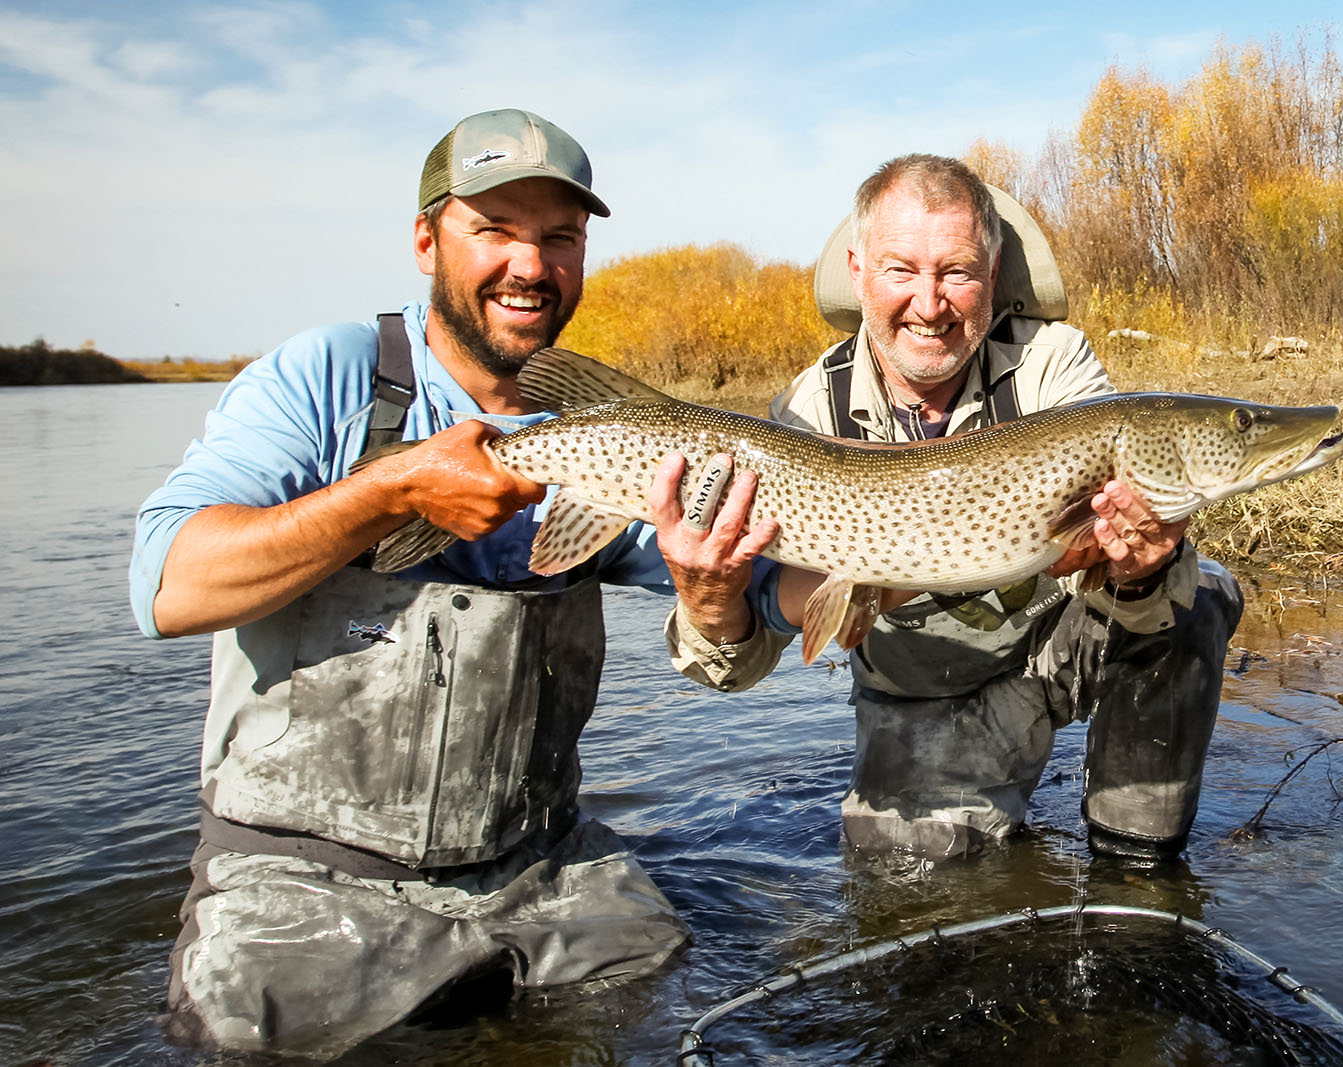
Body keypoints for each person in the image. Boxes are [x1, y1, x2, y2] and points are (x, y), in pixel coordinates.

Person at [129, 107, 782, 1057]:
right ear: (428, 238)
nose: (531, 264)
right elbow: (165, 587)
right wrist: (387, 491)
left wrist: (718, 591)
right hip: (300, 878)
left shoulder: (622, 432)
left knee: (675, 1012)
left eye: (559, 238)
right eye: (496, 230)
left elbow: (764, 610)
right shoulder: (327, 377)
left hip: (540, 869)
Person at [666, 154, 1243, 861]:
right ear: (858, 272)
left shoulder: (1053, 366)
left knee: (1198, 587)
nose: (930, 303)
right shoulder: (809, 411)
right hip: (924, 694)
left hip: (1057, 646)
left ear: (992, 277)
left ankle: (1137, 861)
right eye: (901, 269)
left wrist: (1145, 567)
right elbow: (741, 659)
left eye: (957, 272)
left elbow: (1123, 549)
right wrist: (710, 601)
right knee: (913, 899)